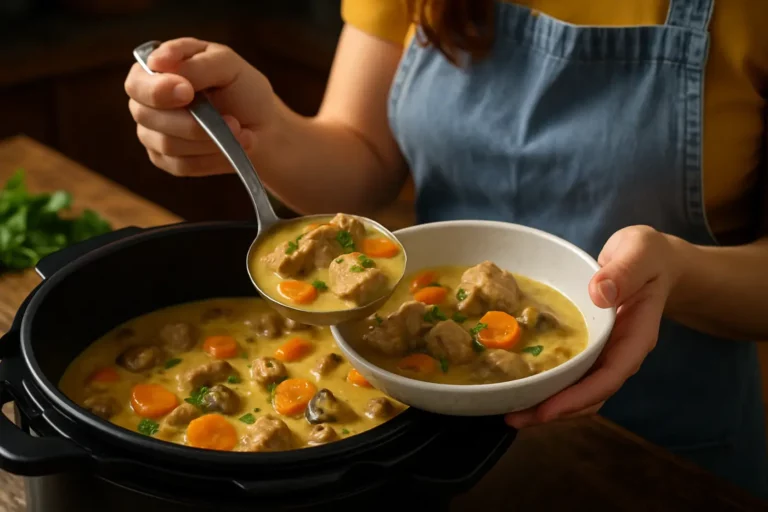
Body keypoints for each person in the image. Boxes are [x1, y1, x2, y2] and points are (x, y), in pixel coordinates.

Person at [123, 0, 768, 499]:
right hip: (420, 434)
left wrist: (676, 271)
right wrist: (259, 132)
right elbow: (363, 163)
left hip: (662, 453)